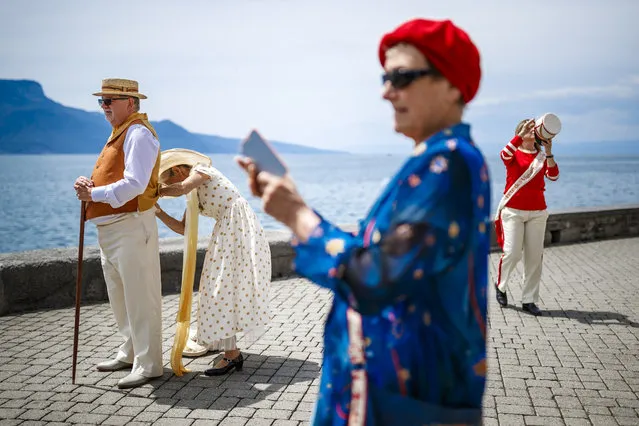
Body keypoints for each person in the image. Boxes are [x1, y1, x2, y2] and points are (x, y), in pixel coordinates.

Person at [238, 18, 491, 426]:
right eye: (385, 77)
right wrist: (295, 207)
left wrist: (299, 216)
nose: (386, 91)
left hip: (400, 407)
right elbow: (393, 252)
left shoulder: (448, 162)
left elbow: (374, 276)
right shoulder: (439, 158)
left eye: (402, 76)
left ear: (452, 84)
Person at [73, 78, 163, 389]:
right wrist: (90, 186)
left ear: (132, 103)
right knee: (121, 297)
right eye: (102, 101)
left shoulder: (138, 134)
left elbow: (136, 184)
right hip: (112, 228)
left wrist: (93, 195)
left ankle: (149, 364)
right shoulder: (120, 134)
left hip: (131, 225)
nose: (105, 106)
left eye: (111, 100)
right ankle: (130, 351)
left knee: (140, 297)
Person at [155, 149, 271, 376]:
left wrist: (155, 192)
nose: (175, 184)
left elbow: (182, 187)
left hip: (237, 226)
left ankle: (232, 354)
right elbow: (183, 228)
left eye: (172, 178)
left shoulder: (200, 171)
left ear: (179, 170)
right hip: (227, 230)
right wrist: (158, 212)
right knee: (217, 288)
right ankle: (226, 344)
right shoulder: (194, 194)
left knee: (221, 287)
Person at [494, 119, 559, 316]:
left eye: (533, 128)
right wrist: (520, 136)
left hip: (537, 212)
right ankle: (501, 286)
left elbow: (554, 175)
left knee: (534, 258)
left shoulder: (541, 156)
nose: (532, 130)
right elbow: (503, 154)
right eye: (527, 128)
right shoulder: (513, 152)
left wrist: (548, 152)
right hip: (513, 211)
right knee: (512, 253)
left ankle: (529, 300)